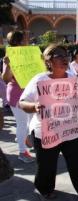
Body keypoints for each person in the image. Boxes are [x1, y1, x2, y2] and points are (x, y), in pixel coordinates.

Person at [19, 44, 78, 201]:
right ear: (49, 61)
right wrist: (35, 106)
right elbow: (22, 102)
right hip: (46, 132)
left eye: (66, 56)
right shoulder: (39, 80)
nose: (65, 59)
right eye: (60, 56)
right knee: (46, 167)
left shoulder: (72, 78)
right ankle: (45, 189)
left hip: (70, 130)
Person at [2, 31, 34, 163]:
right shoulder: (11, 56)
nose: (27, 41)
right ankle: (22, 152)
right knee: (22, 124)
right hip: (16, 95)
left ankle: (23, 138)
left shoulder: (28, 54)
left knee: (30, 123)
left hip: (28, 93)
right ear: (19, 41)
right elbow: (5, 79)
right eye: (25, 39)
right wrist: (8, 65)